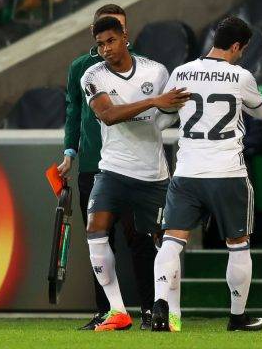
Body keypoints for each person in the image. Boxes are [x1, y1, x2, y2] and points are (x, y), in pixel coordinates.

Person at [151, 16, 262, 333]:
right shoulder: (240, 76)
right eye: (242, 49)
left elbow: (161, 121)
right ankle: (237, 317)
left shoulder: (181, 72)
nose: (241, 54)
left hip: (187, 171)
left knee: (172, 242)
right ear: (235, 46)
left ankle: (160, 304)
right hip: (227, 171)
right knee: (238, 243)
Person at [81, 16, 189, 332]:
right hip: (112, 168)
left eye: (110, 41)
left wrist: (163, 114)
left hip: (152, 172)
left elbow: (171, 112)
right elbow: (108, 115)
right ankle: (117, 311)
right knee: (95, 229)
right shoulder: (93, 76)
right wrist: (155, 102)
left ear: (125, 37)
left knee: (164, 242)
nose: (105, 49)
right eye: (100, 44)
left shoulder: (155, 71)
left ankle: (171, 314)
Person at [58, 4, 159, 330]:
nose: (109, 45)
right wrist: (69, 152)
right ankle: (108, 312)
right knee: (98, 240)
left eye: (116, 34)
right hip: (92, 164)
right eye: (103, 37)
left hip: (136, 167)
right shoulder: (81, 69)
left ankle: (149, 311)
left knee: (141, 241)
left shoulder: (146, 69)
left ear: (125, 34)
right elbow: (74, 112)